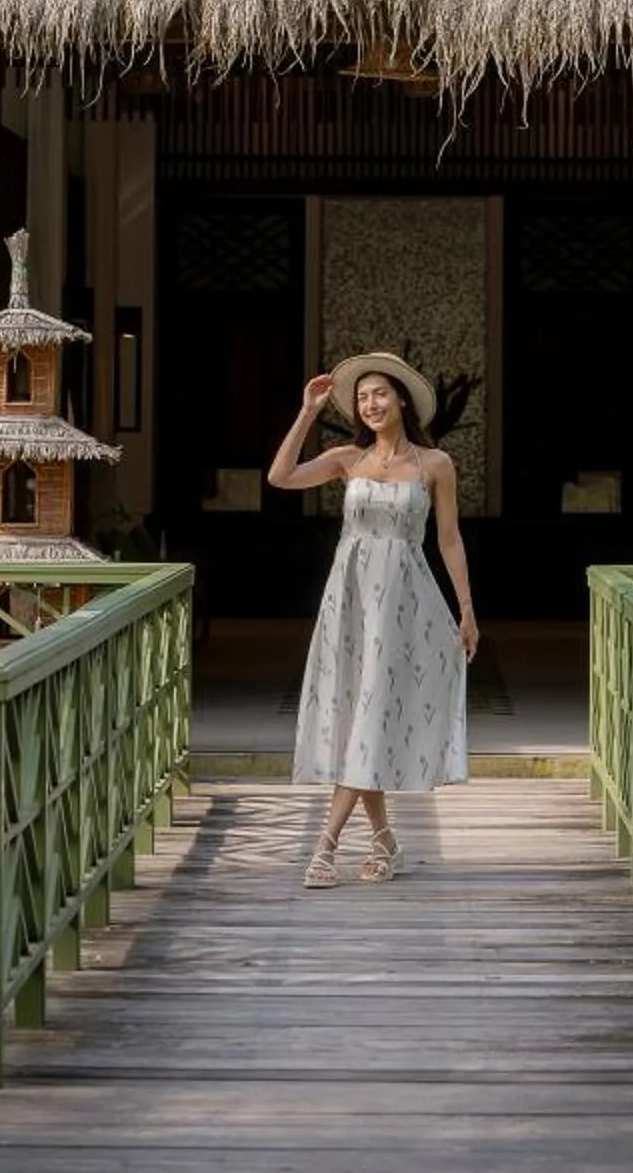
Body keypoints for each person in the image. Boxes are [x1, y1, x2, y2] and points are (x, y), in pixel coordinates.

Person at [266, 352, 478, 890]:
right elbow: (280, 476)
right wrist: (308, 412)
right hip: (351, 599)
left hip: (405, 602)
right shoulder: (346, 459)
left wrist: (467, 609)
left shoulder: (435, 465)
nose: (371, 404)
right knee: (361, 716)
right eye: (362, 398)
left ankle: (326, 844)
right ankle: (383, 838)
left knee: (372, 714)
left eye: (380, 393)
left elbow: (448, 539)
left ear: (402, 399)